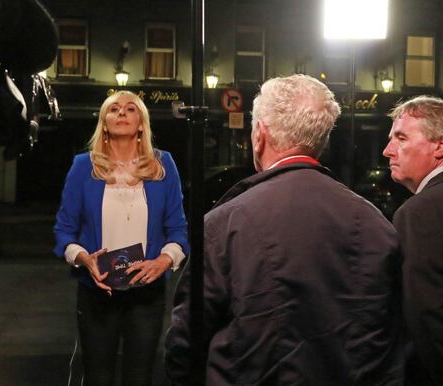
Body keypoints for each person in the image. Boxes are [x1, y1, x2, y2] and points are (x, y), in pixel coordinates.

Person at [165, 74, 404, 385]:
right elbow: (390, 342)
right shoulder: (375, 223)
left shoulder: (226, 222)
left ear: (260, 135)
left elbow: (186, 342)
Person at [54, 90, 189, 386]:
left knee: (139, 377)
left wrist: (164, 261)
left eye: (130, 109)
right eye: (114, 109)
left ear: (141, 123)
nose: (122, 113)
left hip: (147, 293)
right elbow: (64, 230)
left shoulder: (163, 165)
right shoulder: (82, 167)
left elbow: (178, 231)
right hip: (97, 291)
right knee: (98, 377)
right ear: (104, 122)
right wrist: (81, 257)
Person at [383, 96, 443, 385]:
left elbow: (426, 319)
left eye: (401, 138)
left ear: (439, 145)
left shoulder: (420, 213)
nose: (387, 151)